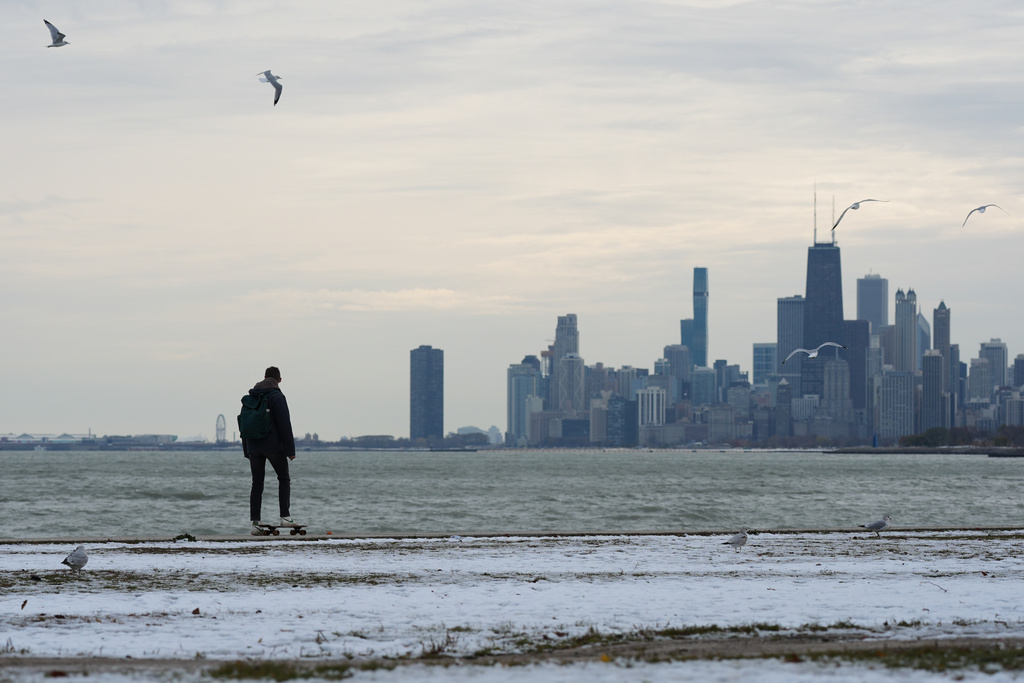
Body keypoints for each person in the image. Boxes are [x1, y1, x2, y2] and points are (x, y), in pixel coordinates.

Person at [242, 366, 299, 534]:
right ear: (279, 380)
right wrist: (290, 451)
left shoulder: (251, 397)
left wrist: (247, 450)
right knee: (283, 478)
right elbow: (284, 424)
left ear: (264, 377)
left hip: (254, 447)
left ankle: (255, 523)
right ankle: (285, 517)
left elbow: (244, 425)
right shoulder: (277, 396)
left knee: (257, 484)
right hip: (273, 446)